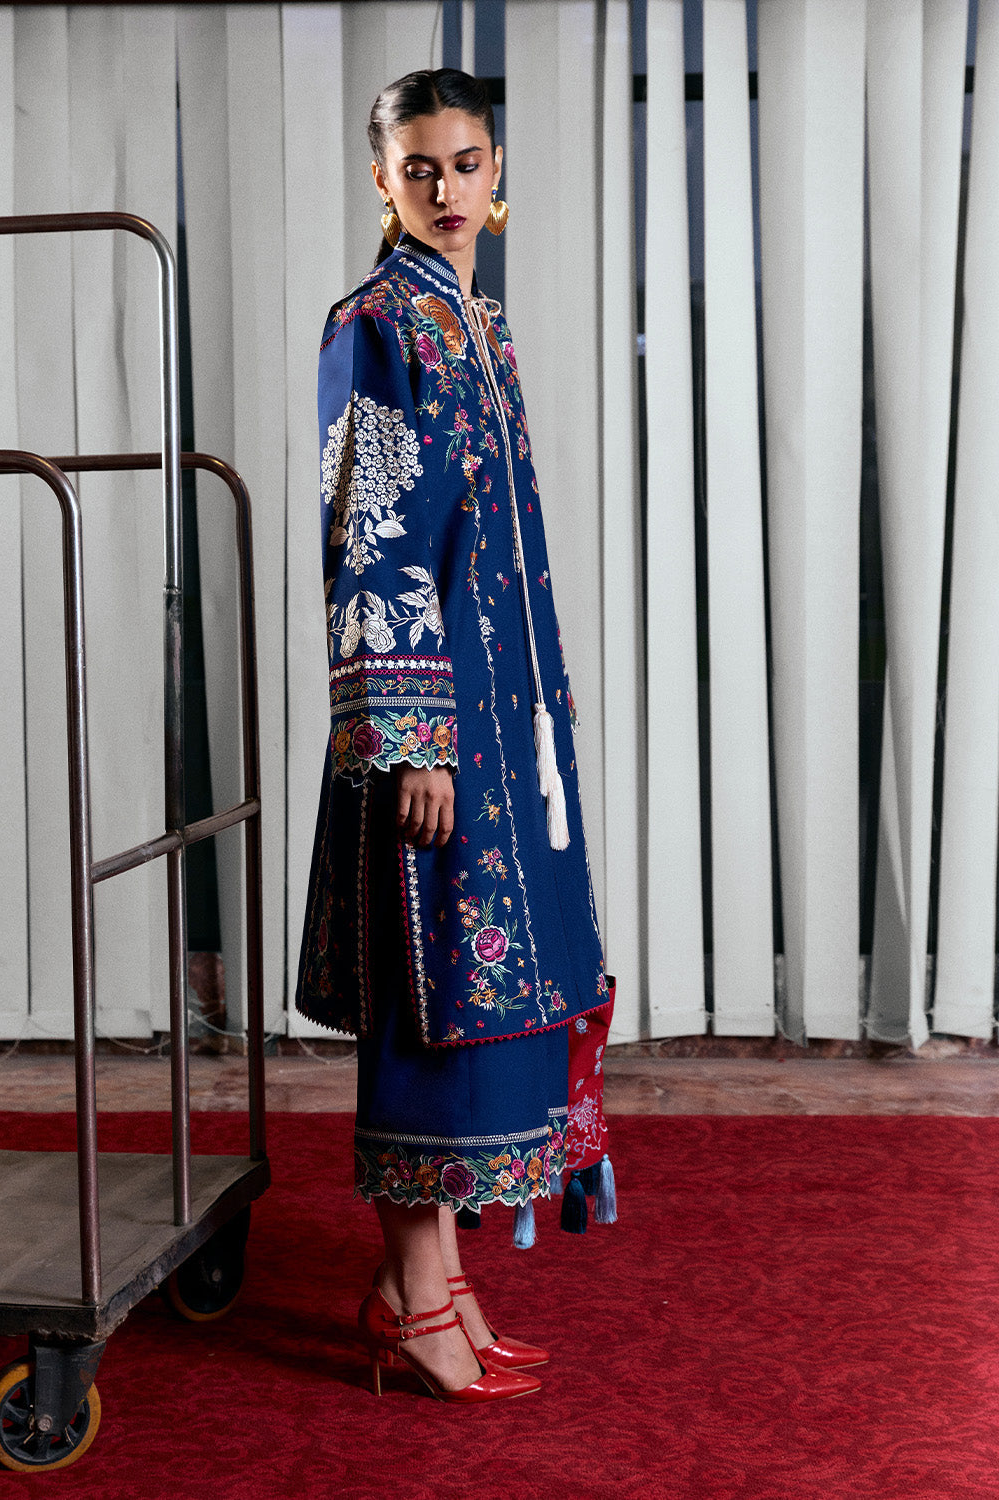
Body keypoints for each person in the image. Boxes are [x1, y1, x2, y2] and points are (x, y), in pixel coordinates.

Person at [295, 67, 616, 1404]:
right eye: (418, 167)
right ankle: (416, 1302)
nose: (445, 189)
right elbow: (372, 533)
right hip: (427, 728)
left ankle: (430, 1287)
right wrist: (413, 737)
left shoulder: (479, 324)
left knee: (495, 995)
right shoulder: (378, 325)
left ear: (497, 171)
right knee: (430, 998)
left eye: (466, 163)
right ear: (383, 179)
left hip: (506, 721)